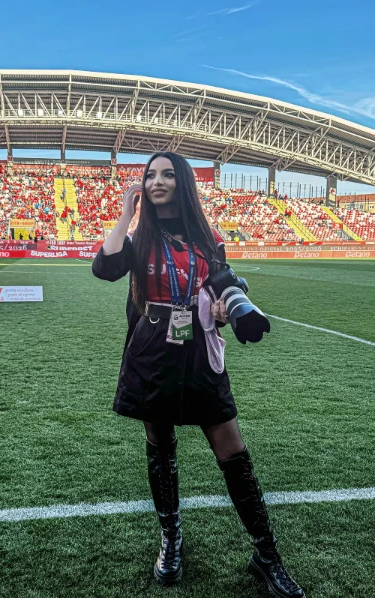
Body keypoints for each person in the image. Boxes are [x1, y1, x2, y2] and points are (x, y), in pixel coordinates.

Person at [91, 152, 305, 597]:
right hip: (152, 348)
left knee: (232, 449)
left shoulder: (208, 238)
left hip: (199, 349)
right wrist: (126, 214)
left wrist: (227, 307)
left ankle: (266, 554)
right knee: (160, 445)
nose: (157, 181)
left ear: (183, 183)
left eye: (168, 174)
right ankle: (171, 539)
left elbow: (222, 282)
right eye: (150, 175)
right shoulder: (141, 237)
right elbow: (105, 268)